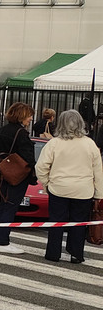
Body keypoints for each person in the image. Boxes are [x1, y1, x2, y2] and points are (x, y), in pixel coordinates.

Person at [34, 109, 103, 264]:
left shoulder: (54, 143)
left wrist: (46, 184)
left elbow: (41, 167)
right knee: (79, 223)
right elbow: (98, 171)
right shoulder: (89, 144)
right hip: (83, 190)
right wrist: (99, 194)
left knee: (56, 222)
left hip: (59, 188)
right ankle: (76, 253)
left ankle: (53, 253)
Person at [0, 101, 36, 254]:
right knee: (10, 207)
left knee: (2, 206)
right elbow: (29, 158)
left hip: (3, 173)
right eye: (29, 116)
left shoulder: (2, 130)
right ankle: (3, 242)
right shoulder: (21, 133)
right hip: (17, 176)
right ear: (22, 116)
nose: (30, 119)